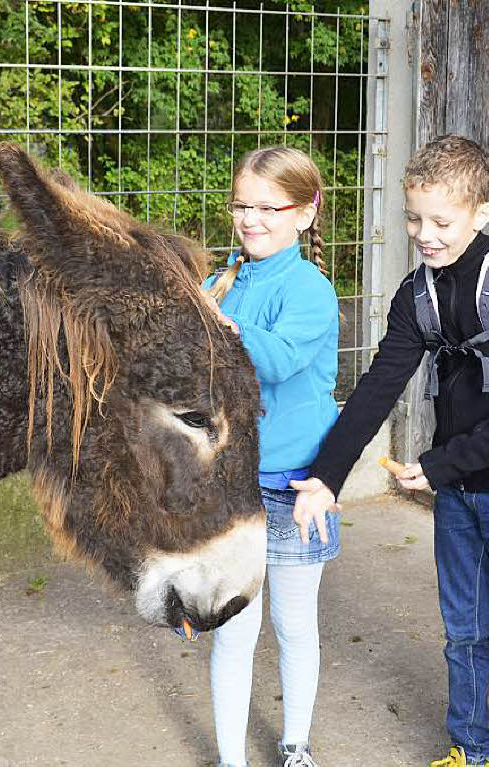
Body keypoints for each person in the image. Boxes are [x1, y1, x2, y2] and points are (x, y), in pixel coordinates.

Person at [292, 134, 489, 767]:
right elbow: (377, 387)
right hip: (459, 491)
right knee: (463, 631)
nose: (426, 234)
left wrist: (444, 463)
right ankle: (468, 749)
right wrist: (327, 478)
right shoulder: (418, 294)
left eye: (442, 221)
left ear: (481, 211)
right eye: (414, 219)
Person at [201, 146, 340, 767]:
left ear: (305, 213)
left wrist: (217, 327)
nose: (250, 219)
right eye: (241, 205)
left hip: (294, 487)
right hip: (230, 486)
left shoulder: (309, 289)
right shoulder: (218, 283)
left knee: (293, 624)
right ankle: (232, 759)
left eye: (267, 207)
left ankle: (295, 745)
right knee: (233, 631)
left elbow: (280, 360)